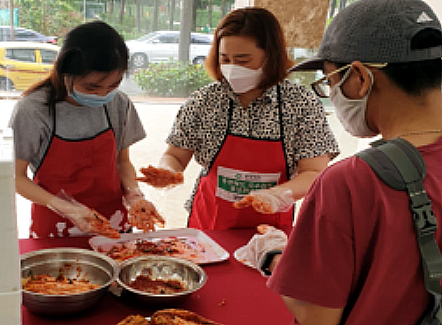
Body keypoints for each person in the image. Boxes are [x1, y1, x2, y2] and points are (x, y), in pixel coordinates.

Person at [238, 0, 442, 324]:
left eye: (330, 81)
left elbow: (316, 316)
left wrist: (272, 257)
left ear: (360, 78)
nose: (331, 92)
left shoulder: (351, 183)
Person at [138, 7, 339, 230]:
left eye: (243, 60)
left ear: (270, 56)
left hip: (269, 228)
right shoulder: (204, 100)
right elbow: (175, 154)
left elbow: (313, 172)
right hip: (210, 223)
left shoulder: (301, 103)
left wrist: (275, 195)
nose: (232, 68)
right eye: (225, 59)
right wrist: (167, 171)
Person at [8, 21, 164, 238]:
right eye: (92, 87)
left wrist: (135, 196)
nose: (102, 95)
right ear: (65, 73)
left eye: (113, 85)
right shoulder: (34, 110)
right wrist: (67, 208)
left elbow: (122, 161)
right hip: (56, 227)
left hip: (112, 224)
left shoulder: (118, 103)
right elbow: (15, 177)